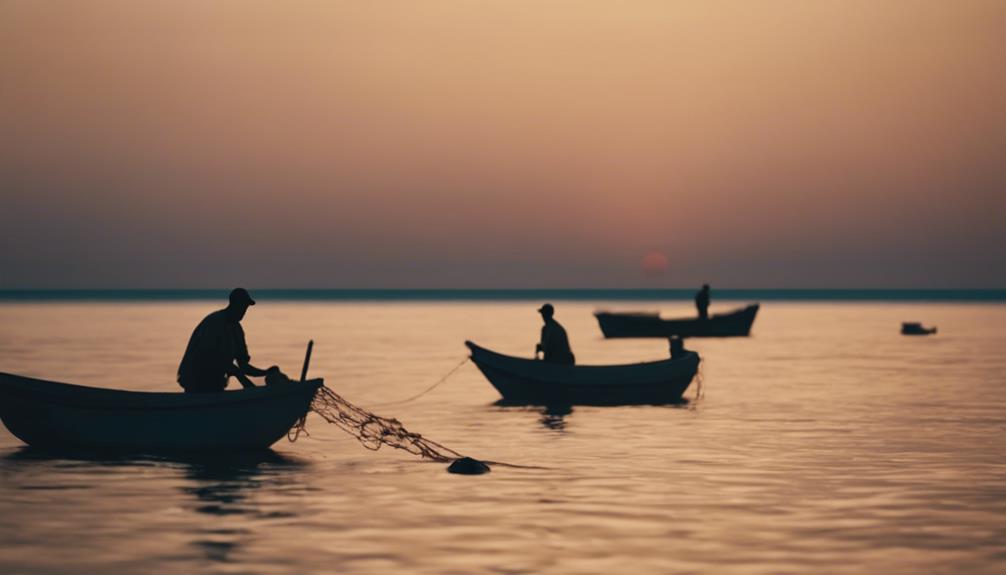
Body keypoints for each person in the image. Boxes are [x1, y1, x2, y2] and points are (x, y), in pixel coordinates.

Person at [177, 288, 286, 393]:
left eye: (246, 307)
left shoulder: (237, 330)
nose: (244, 311)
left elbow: (243, 366)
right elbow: (207, 356)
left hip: (215, 384)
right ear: (233, 304)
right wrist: (237, 373)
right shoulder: (215, 322)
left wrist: (265, 372)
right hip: (194, 379)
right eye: (242, 306)